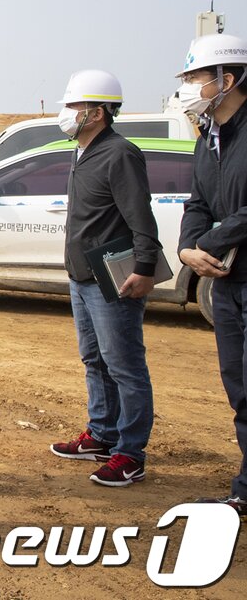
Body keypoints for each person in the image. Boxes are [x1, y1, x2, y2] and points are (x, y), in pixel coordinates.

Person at [47, 70, 161, 487]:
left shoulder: (119, 153)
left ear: (97, 112)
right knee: (94, 360)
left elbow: (139, 215)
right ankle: (101, 434)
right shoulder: (82, 151)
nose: (66, 113)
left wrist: (145, 268)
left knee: (124, 366)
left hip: (113, 278)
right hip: (82, 276)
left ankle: (129, 453)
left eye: (73, 106)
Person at [172, 33, 247, 516]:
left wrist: (210, 244)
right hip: (227, 284)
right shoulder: (209, 138)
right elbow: (198, 202)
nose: (189, 87)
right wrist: (186, 249)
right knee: (238, 386)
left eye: (196, 77)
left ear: (228, 79)